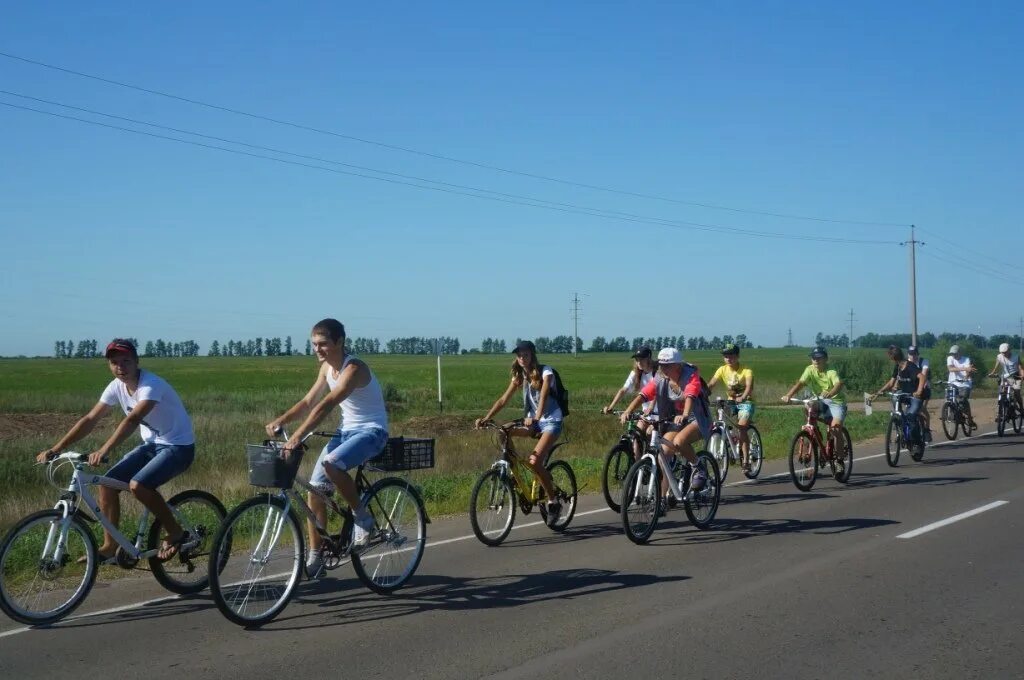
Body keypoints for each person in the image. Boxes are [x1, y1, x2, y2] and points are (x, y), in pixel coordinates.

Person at [35, 339, 196, 562]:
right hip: (152, 446)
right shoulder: (116, 386)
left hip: (178, 447)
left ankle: (175, 531)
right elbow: (91, 418)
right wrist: (56, 448)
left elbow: (133, 419)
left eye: (126, 361)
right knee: (107, 484)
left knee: (138, 485)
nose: (120, 367)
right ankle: (110, 546)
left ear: (137, 361)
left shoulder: (151, 385)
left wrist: (104, 450)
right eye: (114, 362)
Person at [267, 319, 389, 574]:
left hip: (372, 432)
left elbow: (328, 404)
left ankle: (362, 517)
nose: (317, 350)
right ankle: (317, 552)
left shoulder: (353, 368)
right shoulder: (326, 369)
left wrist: (297, 436)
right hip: (346, 432)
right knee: (315, 488)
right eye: (314, 344)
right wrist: (282, 420)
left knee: (331, 463)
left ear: (340, 342)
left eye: (323, 344)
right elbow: (309, 401)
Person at [476, 340, 564, 527]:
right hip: (533, 422)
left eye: (525, 355)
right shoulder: (519, 377)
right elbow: (503, 400)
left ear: (532, 355)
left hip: (551, 422)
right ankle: (515, 468)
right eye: (519, 355)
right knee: (502, 432)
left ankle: (553, 502)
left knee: (534, 462)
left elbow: (545, 395)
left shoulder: (545, 371)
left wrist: (537, 417)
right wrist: (486, 418)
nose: (522, 358)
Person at [620, 347, 712, 496]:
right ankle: (662, 499)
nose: (663, 368)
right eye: (661, 364)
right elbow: (645, 394)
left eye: (667, 365)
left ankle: (698, 468)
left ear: (678, 365)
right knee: (663, 455)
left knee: (680, 441)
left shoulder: (690, 375)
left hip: (697, 417)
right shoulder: (661, 377)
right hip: (676, 418)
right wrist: (628, 410)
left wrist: (685, 414)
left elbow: (690, 395)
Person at [602, 346, 657, 458]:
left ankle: (657, 468)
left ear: (649, 358)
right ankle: (638, 469)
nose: (638, 362)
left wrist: (651, 407)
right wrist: (611, 407)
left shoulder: (657, 372)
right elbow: (623, 390)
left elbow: (658, 392)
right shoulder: (636, 373)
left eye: (641, 359)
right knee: (637, 437)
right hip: (646, 414)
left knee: (650, 434)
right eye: (636, 359)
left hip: (660, 414)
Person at [707, 343, 755, 471]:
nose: (728, 358)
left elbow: (749, 387)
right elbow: (712, 383)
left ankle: (746, 460)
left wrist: (743, 397)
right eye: (726, 356)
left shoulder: (746, 370)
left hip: (746, 402)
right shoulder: (722, 369)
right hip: (731, 402)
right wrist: (702, 394)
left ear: (737, 356)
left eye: (731, 356)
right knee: (721, 422)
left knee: (742, 427)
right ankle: (731, 441)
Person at [781, 347, 847, 431]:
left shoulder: (831, 371)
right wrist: (789, 395)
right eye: (813, 358)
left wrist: (830, 393)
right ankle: (814, 432)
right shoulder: (809, 369)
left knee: (836, 430)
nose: (816, 360)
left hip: (836, 402)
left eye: (819, 358)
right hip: (820, 400)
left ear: (826, 359)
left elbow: (838, 384)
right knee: (808, 405)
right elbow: (801, 383)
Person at [872, 345, 927, 440]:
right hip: (905, 394)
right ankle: (899, 417)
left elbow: (922, 377)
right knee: (894, 397)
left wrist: (919, 391)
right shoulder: (897, 367)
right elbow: (891, 383)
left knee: (911, 416)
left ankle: (917, 442)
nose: (889, 359)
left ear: (893, 357)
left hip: (915, 396)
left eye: (890, 357)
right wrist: (878, 392)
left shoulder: (910, 366)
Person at [946, 344, 977, 429]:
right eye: (952, 354)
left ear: (960, 353)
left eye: (955, 353)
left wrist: (966, 376)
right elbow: (950, 369)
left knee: (962, 401)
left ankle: (969, 418)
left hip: (965, 383)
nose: (953, 355)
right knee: (949, 398)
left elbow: (969, 371)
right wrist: (965, 369)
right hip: (953, 382)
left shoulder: (966, 359)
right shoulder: (950, 358)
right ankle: (951, 414)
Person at [988, 342, 1024, 415]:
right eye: (1002, 352)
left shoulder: (1016, 357)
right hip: (1005, 376)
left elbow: (1020, 368)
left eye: (1005, 352)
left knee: (1017, 393)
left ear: (1009, 350)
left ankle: (1021, 407)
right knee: (1002, 392)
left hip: (1015, 376)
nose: (1003, 354)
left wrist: (1022, 375)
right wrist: (992, 373)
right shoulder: (999, 356)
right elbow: (996, 366)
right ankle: (1000, 411)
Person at [907, 346, 933, 441]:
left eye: (914, 354)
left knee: (922, 409)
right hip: (912, 390)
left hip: (924, 389)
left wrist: (920, 389)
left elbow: (924, 375)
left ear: (918, 354)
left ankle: (926, 430)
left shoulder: (924, 362)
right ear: (908, 355)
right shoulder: (907, 363)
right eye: (910, 354)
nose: (912, 356)